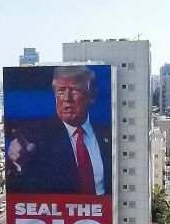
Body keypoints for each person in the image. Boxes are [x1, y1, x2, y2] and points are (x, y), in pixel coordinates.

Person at [6, 66, 112, 195]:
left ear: (92, 96)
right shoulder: (32, 136)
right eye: (61, 91)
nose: (67, 98)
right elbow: (18, 192)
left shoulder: (108, 134)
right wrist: (20, 164)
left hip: (102, 213)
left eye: (75, 90)